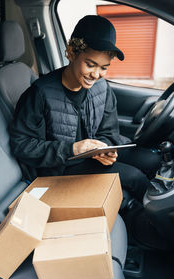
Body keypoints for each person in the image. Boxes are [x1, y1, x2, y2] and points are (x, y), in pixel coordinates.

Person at [9, 15, 151, 202]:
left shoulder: (102, 88)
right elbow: (22, 144)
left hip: (91, 158)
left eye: (104, 67)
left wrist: (105, 149)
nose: (96, 74)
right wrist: (72, 149)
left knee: (152, 160)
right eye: (90, 65)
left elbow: (109, 131)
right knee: (136, 178)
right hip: (61, 167)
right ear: (71, 53)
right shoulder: (39, 93)